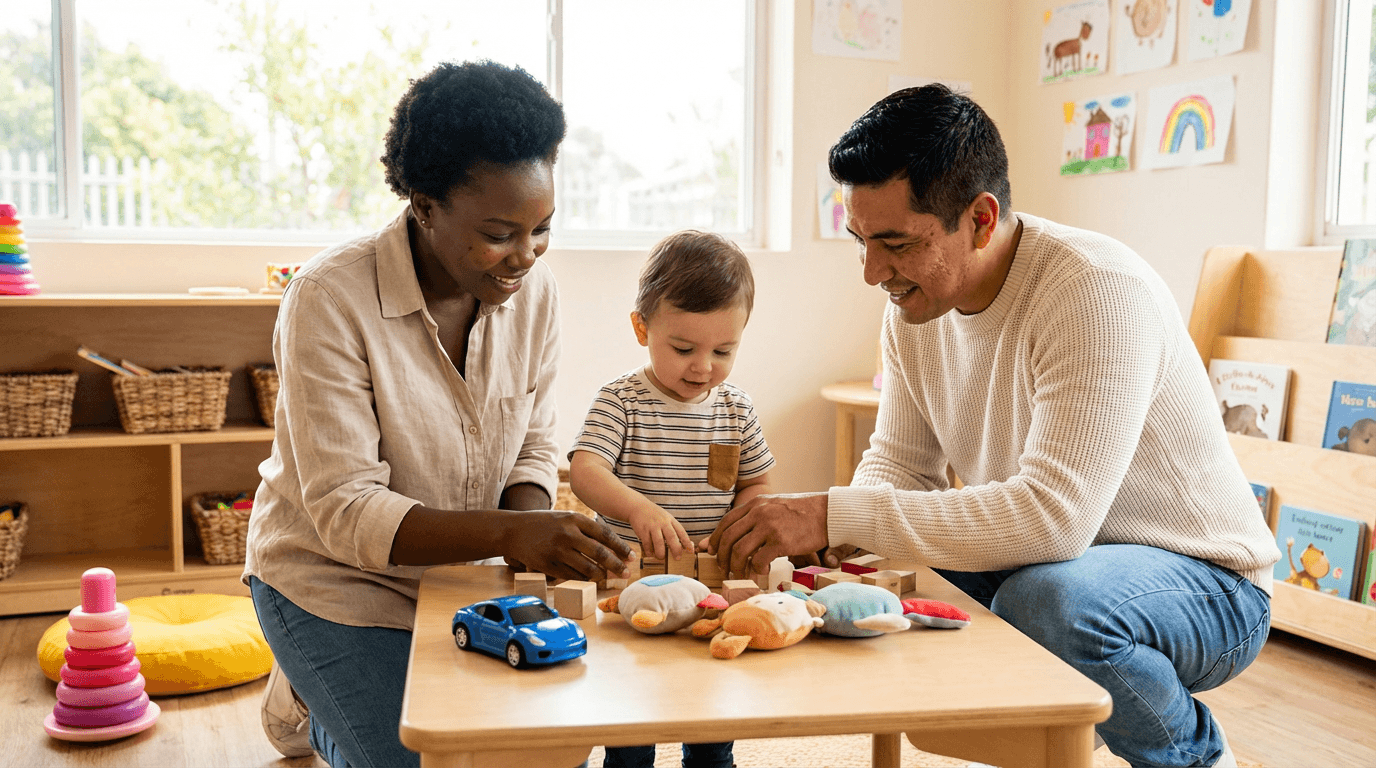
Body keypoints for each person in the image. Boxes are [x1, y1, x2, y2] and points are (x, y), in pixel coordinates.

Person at [708, 84, 1279, 768]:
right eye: (860, 242)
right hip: (1053, 561)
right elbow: (899, 467)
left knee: (1049, 602)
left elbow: (1053, 517)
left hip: (1207, 582)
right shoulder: (914, 306)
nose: (871, 272)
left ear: (980, 218)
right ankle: (1047, 727)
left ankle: (1195, 759)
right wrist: (840, 545)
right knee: (882, 584)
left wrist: (832, 515)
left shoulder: (1094, 290)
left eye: (894, 243)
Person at [242, 60, 633, 768]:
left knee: (556, 751)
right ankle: (306, 693)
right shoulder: (330, 299)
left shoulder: (533, 293)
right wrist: (516, 532)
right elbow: (346, 510)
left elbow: (533, 443)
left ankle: (338, 691)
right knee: (420, 760)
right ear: (424, 205)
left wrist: (533, 543)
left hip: (460, 576)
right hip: (334, 583)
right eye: (499, 232)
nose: (525, 256)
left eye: (541, 228)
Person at [568, 230, 775, 768]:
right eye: (683, 348)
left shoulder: (735, 409)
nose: (703, 366)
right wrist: (637, 507)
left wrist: (738, 526)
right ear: (642, 328)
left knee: (709, 709)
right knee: (632, 716)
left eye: (723, 350)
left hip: (709, 582)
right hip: (630, 584)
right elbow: (585, 471)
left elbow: (758, 484)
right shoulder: (622, 399)